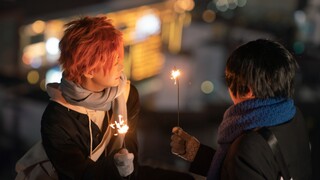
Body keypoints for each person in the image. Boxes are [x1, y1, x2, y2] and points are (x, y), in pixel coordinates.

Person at [15, 16, 195, 180]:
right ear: (88, 69)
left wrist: (125, 166)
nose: (121, 66)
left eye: (120, 57)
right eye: (114, 61)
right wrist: (117, 166)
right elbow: (79, 175)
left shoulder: (126, 95)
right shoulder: (57, 119)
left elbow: (132, 163)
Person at [171, 39, 312, 179]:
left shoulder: (248, 145)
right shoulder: (292, 116)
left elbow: (248, 164)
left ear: (249, 90)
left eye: (229, 79)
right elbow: (256, 168)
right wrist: (197, 153)